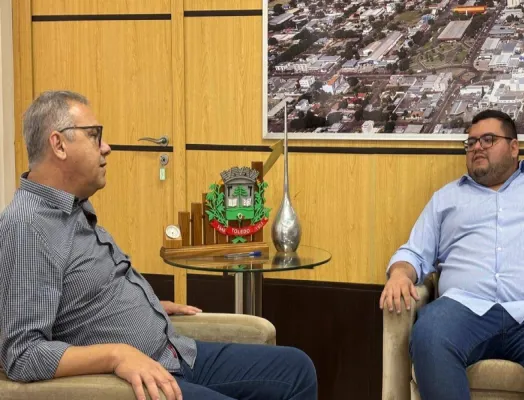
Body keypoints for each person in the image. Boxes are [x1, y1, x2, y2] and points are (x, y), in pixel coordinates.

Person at [0, 91, 317, 400]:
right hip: (138, 380)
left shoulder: (72, 207)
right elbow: (22, 355)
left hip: (173, 352)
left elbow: (78, 294)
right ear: (59, 145)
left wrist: (145, 304)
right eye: (94, 135)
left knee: (296, 370)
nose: (106, 147)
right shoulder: (27, 225)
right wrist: (117, 355)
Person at [379, 109, 524, 400]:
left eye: (488, 139)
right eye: (471, 142)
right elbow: (415, 251)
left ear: (514, 147)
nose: (477, 147)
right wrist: (399, 273)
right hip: (462, 310)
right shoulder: (446, 198)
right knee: (429, 335)